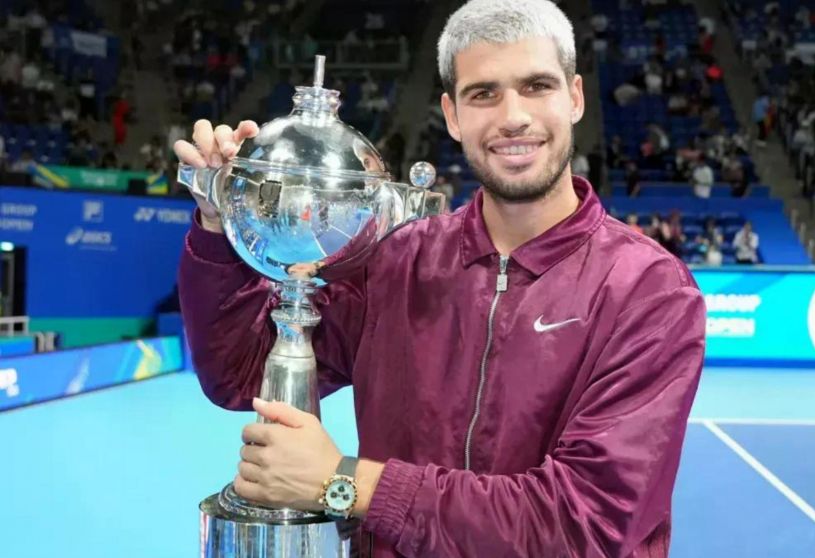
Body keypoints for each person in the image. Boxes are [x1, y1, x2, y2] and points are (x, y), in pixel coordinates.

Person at [172, 1, 706, 556]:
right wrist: (221, 219)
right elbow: (241, 374)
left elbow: (584, 525)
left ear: (574, 98)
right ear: (452, 115)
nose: (513, 117)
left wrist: (346, 481)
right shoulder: (395, 262)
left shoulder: (649, 291)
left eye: (536, 86)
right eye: (484, 93)